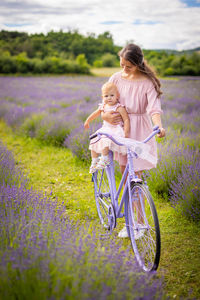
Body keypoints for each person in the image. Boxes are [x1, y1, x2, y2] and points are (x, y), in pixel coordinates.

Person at [101, 43, 166, 238]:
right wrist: (105, 117)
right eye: (122, 65)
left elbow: (154, 108)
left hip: (139, 130)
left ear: (138, 64)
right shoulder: (116, 78)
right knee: (125, 174)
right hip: (121, 130)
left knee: (134, 175)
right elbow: (105, 102)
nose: (124, 69)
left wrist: (159, 126)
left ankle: (138, 222)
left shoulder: (147, 82)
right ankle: (132, 221)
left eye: (128, 66)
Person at [84, 82, 130, 173]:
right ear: (102, 98)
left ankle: (105, 159)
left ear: (117, 96)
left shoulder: (119, 107)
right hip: (105, 128)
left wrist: (126, 132)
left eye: (112, 95)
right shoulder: (103, 106)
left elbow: (126, 120)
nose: (109, 98)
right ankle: (94, 161)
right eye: (106, 96)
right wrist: (87, 121)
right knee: (94, 140)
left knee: (105, 139)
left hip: (115, 129)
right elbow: (95, 114)